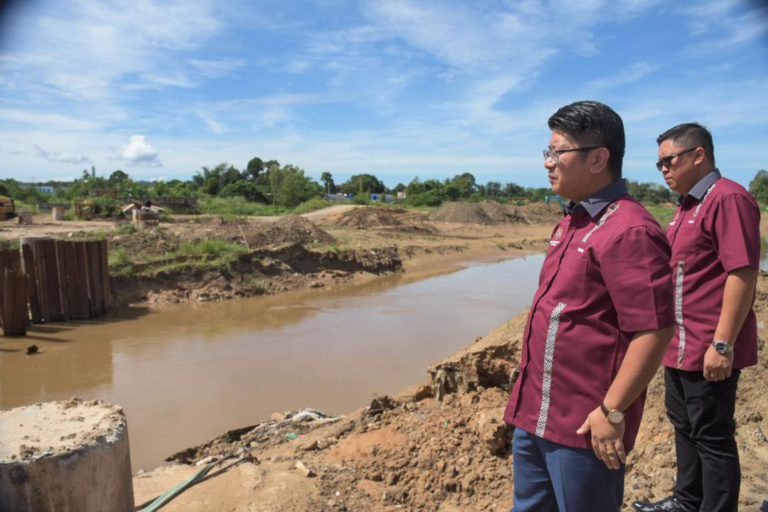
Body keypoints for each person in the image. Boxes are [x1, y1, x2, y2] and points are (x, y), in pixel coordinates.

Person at [504, 100, 675, 512]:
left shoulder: (629, 230)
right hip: (536, 415)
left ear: (598, 158)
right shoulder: (572, 222)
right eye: (547, 152)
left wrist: (611, 412)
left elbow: (653, 330)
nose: (548, 163)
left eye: (557, 152)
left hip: (585, 429)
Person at [633, 124, 760, 512]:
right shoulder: (688, 205)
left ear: (699, 155)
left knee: (712, 436)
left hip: (709, 345)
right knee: (685, 428)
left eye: (669, 161)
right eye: (659, 165)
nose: (664, 171)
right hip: (680, 346)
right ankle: (687, 502)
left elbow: (742, 273)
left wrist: (722, 344)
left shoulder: (729, 199)